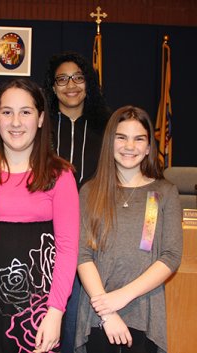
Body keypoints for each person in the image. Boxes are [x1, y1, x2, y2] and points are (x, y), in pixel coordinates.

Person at [0, 78, 79, 353]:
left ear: (41, 118)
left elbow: (68, 250)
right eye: (7, 112)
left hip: (39, 310)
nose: (16, 122)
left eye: (26, 112)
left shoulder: (61, 176)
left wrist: (55, 313)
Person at [75, 106, 183, 353]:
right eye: (121, 137)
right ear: (109, 142)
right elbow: (82, 254)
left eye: (139, 139)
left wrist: (121, 297)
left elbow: (171, 256)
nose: (129, 146)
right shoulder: (90, 192)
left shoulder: (165, 193)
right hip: (97, 314)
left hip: (144, 312)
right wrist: (108, 312)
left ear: (148, 147)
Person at [43, 51, 111, 353]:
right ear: (52, 86)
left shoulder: (107, 127)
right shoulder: (40, 126)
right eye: (62, 79)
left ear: (88, 83)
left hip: (96, 234)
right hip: (47, 235)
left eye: (78, 77)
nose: (71, 85)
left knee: (85, 321)